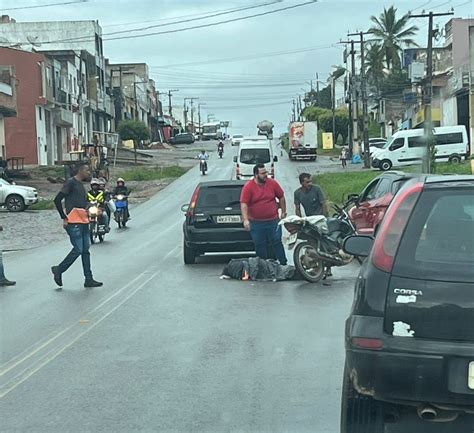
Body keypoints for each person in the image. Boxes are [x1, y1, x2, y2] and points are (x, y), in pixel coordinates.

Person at [52, 162, 103, 288]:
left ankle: (88, 278)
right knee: (78, 249)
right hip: (73, 222)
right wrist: (64, 217)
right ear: (80, 171)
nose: (89, 173)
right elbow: (57, 200)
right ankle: (59, 269)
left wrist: (93, 209)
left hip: (84, 221)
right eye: (87, 170)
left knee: (85, 250)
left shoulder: (81, 185)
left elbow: (83, 203)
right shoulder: (71, 183)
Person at [240, 163, 287, 265]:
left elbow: (281, 197)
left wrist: (283, 212)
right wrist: (245, 220)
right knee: (259, 244)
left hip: (273, 220)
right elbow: (244, 204)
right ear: (256, 175)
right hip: (256, 223)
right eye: (262, 173)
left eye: (266, 172)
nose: (266, 175)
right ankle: (263, 266)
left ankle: (283, 264)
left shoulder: (272, 183)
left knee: (277, 241)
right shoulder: (249, 187)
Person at [294, 173, 332, 277]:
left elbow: (323, 204)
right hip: (310, 220)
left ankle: (328, 268)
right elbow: (297, 208)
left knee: (325, 242)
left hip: (320, 218)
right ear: (302, 183)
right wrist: (300, 221)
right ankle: (317, 267)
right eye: (307, 182)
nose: (310, 184)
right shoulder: (297, 193)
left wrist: (325, 218)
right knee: (313, 243)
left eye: (310, 181)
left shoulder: (317, 189)